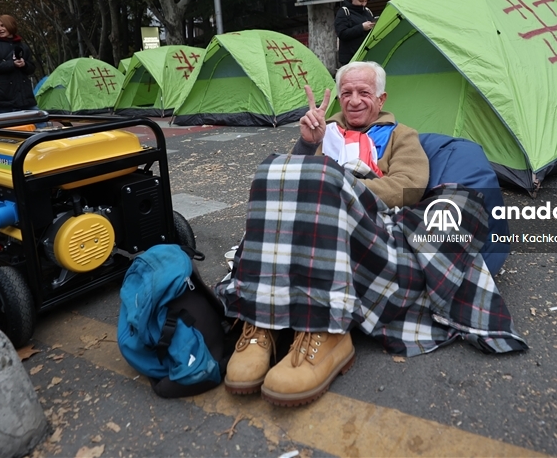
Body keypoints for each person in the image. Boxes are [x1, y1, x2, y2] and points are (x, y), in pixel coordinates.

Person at [215, 61, 526, 407]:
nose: (354, 100)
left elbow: (409, 187)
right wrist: (306, 145)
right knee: (271, 169)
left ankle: (326, 330)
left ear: (381, 99)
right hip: (318, 218)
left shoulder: (399, 135)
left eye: (364, 92)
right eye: (346, 93)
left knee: (322, 181)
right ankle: (262, 322)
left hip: (375, 226)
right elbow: (288, 189)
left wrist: (345, 188)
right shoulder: (325, 131)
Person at [0, 15, 38, 113]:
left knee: (39, 123)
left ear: (11, 25)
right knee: (7, 127)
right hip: (3, 96)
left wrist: (24, 64)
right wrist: (12, 64)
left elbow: (32, 68)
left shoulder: (23, 46)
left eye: (2, 25)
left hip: (25, 96)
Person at [334, 0, 375, 67]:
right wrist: (361, 27)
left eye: (366, 1)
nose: (363, 4)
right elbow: (342, 34)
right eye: (360, 1)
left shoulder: (367, 11)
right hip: (351, 58)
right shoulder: (344, 12)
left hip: (367, 55)